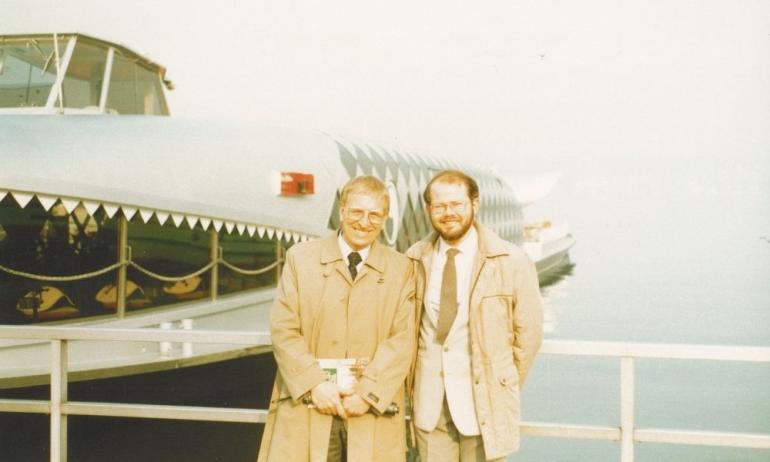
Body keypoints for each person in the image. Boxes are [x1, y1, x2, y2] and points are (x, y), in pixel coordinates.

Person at [258, 175, 415, 462]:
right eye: (357, 212)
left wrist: (368, 394)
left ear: (384, 218)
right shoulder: (301, 258)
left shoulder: (401, 269)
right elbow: (283, 327)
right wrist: (314, 384)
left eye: (374, 215)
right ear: (342, 212)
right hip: (311, 401)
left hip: (368, 406)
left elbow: (403, 339)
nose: (364, 222)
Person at [406, 170, 543, 462]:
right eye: (439, 206)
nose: (448, 213)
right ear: (429, 209)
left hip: (484, 407)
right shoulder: (415, 258)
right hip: (430, 408)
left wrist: (501, 384)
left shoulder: (511, 261)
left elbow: (528, 337)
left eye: (456, 204)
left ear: (474, 204)